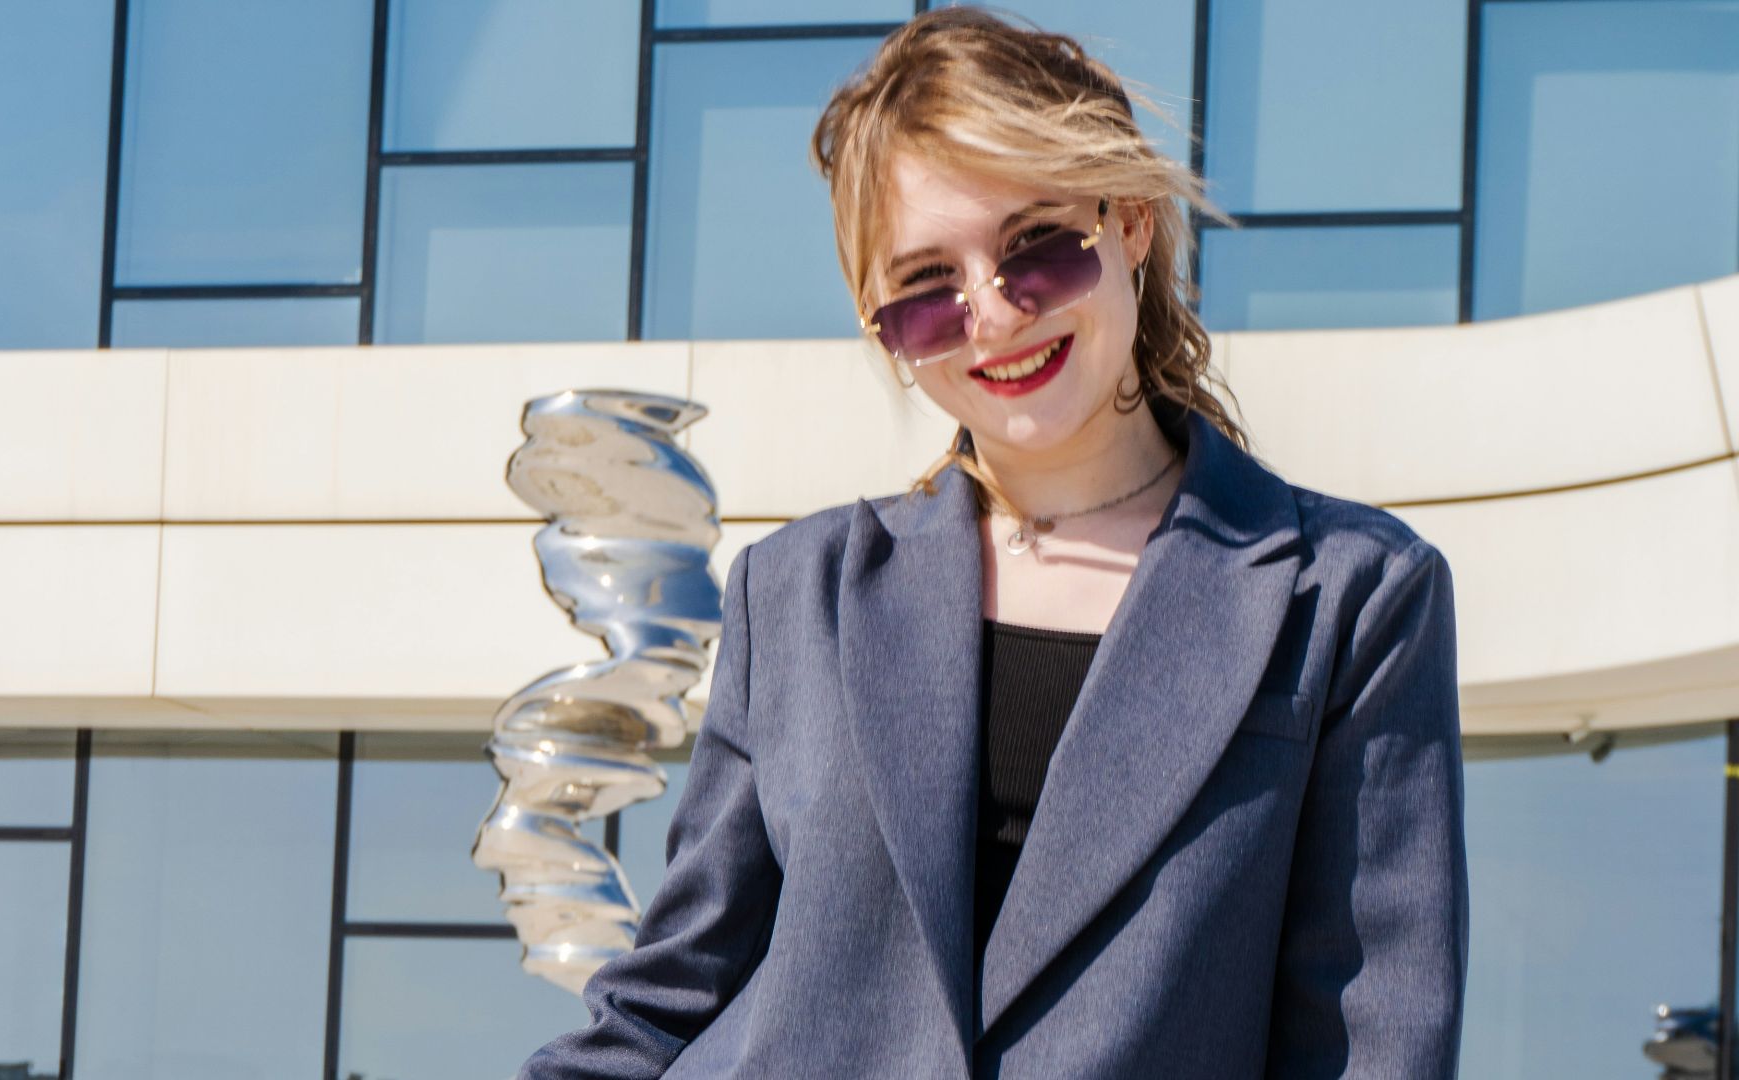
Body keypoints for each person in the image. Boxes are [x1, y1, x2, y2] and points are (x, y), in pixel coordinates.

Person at [521, 9, 1468, 1078]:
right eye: (926, 291)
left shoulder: (1349, 601)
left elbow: (1370, 1047)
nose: (995, 316)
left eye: (1037, 249)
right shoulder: (794, 598)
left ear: (1132, 224)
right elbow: (667, 1002)